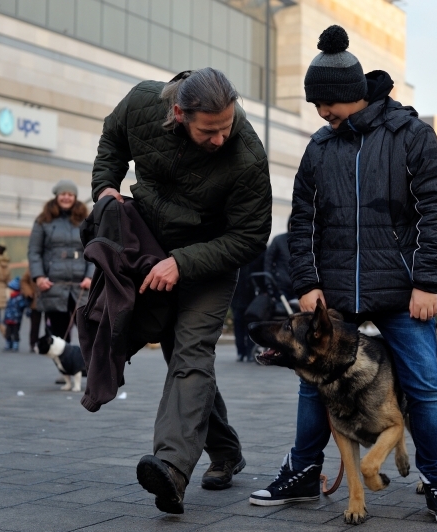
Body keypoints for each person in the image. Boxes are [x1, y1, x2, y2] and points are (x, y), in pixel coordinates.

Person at [249, 26, 437, 526]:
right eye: (317, 106)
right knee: (312, 385)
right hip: (336, 293)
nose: (321, 114)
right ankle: (304, 472)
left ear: (350, 94)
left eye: (325, 104)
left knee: (425, 387)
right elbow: (301, 219)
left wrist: (427, 282)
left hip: (403, 289)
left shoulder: (411, 135)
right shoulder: (320, 147)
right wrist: (307, 283)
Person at [92, 67, 271, 513]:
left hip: (209, 261)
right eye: (209, 131)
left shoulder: (246, 155)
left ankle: (170, 470)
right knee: (179, 358)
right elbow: (113, 138)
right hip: (151, 250)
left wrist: (184, 263)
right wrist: (105, 186)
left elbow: (250, 237)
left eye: (226, 126)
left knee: (191, 355)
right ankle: (226, 452)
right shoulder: (142, 104)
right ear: (178, 113)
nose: (220, 138)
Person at [27, 180, 92, 342]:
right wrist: (39, 277)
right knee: (60, 338)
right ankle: (66, 368)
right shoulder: (43, 220)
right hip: (53, 286)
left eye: (70, 195)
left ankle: (88, 367)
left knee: (90, 334)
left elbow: (93, 250)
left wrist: (90, 276)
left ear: (75, 197)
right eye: (63, 194)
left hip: (81, 287)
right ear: (57, 196)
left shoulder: (87, 220)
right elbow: (34, 251)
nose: (66, 198)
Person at [230, 251, 264, 362]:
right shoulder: (234, 251)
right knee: (238, 323)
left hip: (252, 296)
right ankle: (241, 352)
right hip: (237, 294)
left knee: (251, 323)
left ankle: (250, 351)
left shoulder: (259, 251)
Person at [264, 228, 293, 299]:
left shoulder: (305, 241)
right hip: (281, 287)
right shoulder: (279, 240)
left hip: (299, 286)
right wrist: (269, 283)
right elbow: (268, 262)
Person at [3, 277, 29, 352]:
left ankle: (15, 343)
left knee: (15, 332)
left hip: (16, 319)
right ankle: (8, 343)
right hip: (9, 318)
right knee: (8, 332)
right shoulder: (11, 297)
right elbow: (7, 309)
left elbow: (23, 306)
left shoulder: (19, 297)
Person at [20, 268, 42, 352]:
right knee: (35, 324)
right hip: (35, 300)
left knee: (50, 324)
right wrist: (29, 292)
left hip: (50, 299)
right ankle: (33, 343)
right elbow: (24, 281)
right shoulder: (32, 267)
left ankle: (50, 343)